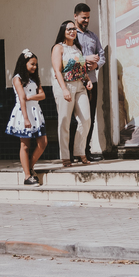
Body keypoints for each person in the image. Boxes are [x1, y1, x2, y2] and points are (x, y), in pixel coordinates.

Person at [51, 20, 92, 168]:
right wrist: (64, 89)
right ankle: (65, 156)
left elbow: (80, 68)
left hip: (80, 86)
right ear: (63, 31)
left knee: (86, 119)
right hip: (65, 85)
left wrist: (87, 80)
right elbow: (57, 71)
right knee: (64, 121)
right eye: (69, 29)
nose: (72, 31)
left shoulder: (77, 48)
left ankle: (79, 151)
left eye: (74, 29)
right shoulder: (58, 48)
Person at [6, 49, 47, 185]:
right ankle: (27, 176)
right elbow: (21, 99)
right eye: (32, 64)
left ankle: (29, 166)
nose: (35, 67)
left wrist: (30, 97)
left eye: (36, 64)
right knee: (25, 145)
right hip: (24, 112)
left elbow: (42, 95)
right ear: (24, 64)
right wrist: (25, 118)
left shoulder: (35, 78)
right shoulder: (17, 79)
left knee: (43, 142)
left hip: (35, 112)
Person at [72, 3, 105, 162]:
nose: (86, 20)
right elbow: (67, 58)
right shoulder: (71, 35)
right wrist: (86, 59)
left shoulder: (93, 36)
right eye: (83, 17)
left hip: (92, 81)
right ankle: (73, 153)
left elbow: (102, 56)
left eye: (88, 18)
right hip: (76, 82)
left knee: (90, 117)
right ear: (75, 16)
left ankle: (86, 151)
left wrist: (96, 65)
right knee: (76, 119)